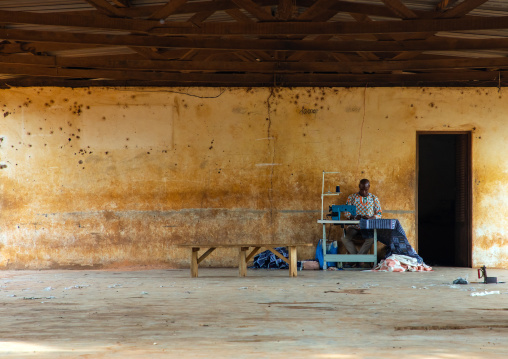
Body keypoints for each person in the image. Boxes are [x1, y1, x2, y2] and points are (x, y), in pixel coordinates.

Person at [341, 179, 382, 257]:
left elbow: (379, 213)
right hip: (354, 226)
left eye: (366, 190)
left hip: (367, 226)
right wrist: (356, 216)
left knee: (371, 239)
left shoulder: (374, 198)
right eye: (362, 189)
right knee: (344, 239)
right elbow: (346, 212)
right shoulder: (352, 197)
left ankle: (357, 258)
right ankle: (359, 258)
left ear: (369, 187)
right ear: (359, 186)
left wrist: (370, 218)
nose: (363, 192)